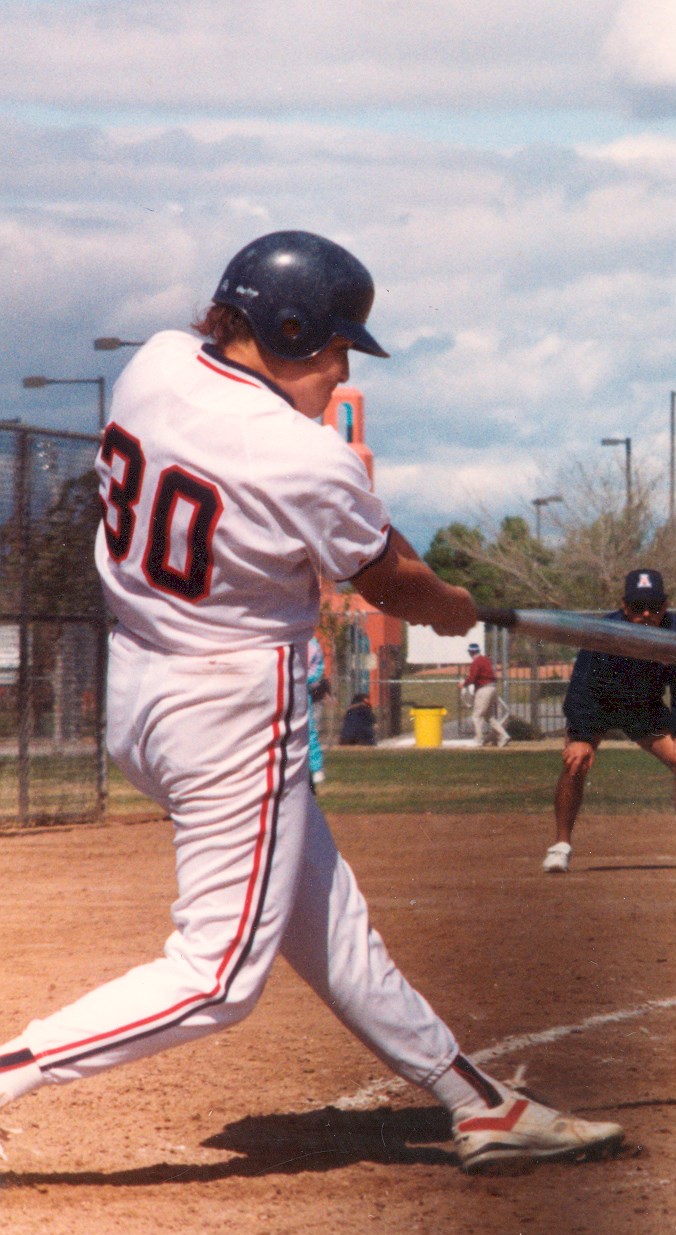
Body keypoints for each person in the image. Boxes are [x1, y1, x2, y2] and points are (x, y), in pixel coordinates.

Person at [0, 230, 622, 1173]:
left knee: (321, 916)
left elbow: (360, 532)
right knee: (217, 976)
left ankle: (477, 1102)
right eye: (330, 348)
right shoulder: (302, 458)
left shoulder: (157, 365)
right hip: (230, 711)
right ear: (284, 332)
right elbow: (392, 586)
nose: (338, 370)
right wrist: (449, 606)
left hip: (140, 691)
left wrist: (413, 571)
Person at [543, 568, 676, 875]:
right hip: (599, 705)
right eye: (638, 607)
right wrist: (582, 737)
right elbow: (582, 685)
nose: (646, 614)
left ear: (665, 606)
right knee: (575, 761)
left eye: (654, 607)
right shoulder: (604, 633)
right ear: (624, 607)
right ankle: (560, 846)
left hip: (643, 708)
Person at [461, 641, 510, 747]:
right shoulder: (485, 660)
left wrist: (463, 684)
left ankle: (479, 740)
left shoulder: (476, 662)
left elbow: (472, 677)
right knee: (489, 717)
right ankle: (504, 735)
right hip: (493, 688)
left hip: (484, 689)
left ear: (470, 652)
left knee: (476, 716)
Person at [306, 635, 329, 787]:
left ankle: (316, 768)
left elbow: (317, 668)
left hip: (299, 692)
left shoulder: (310, 643)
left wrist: (304, 680)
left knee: (308, 731)